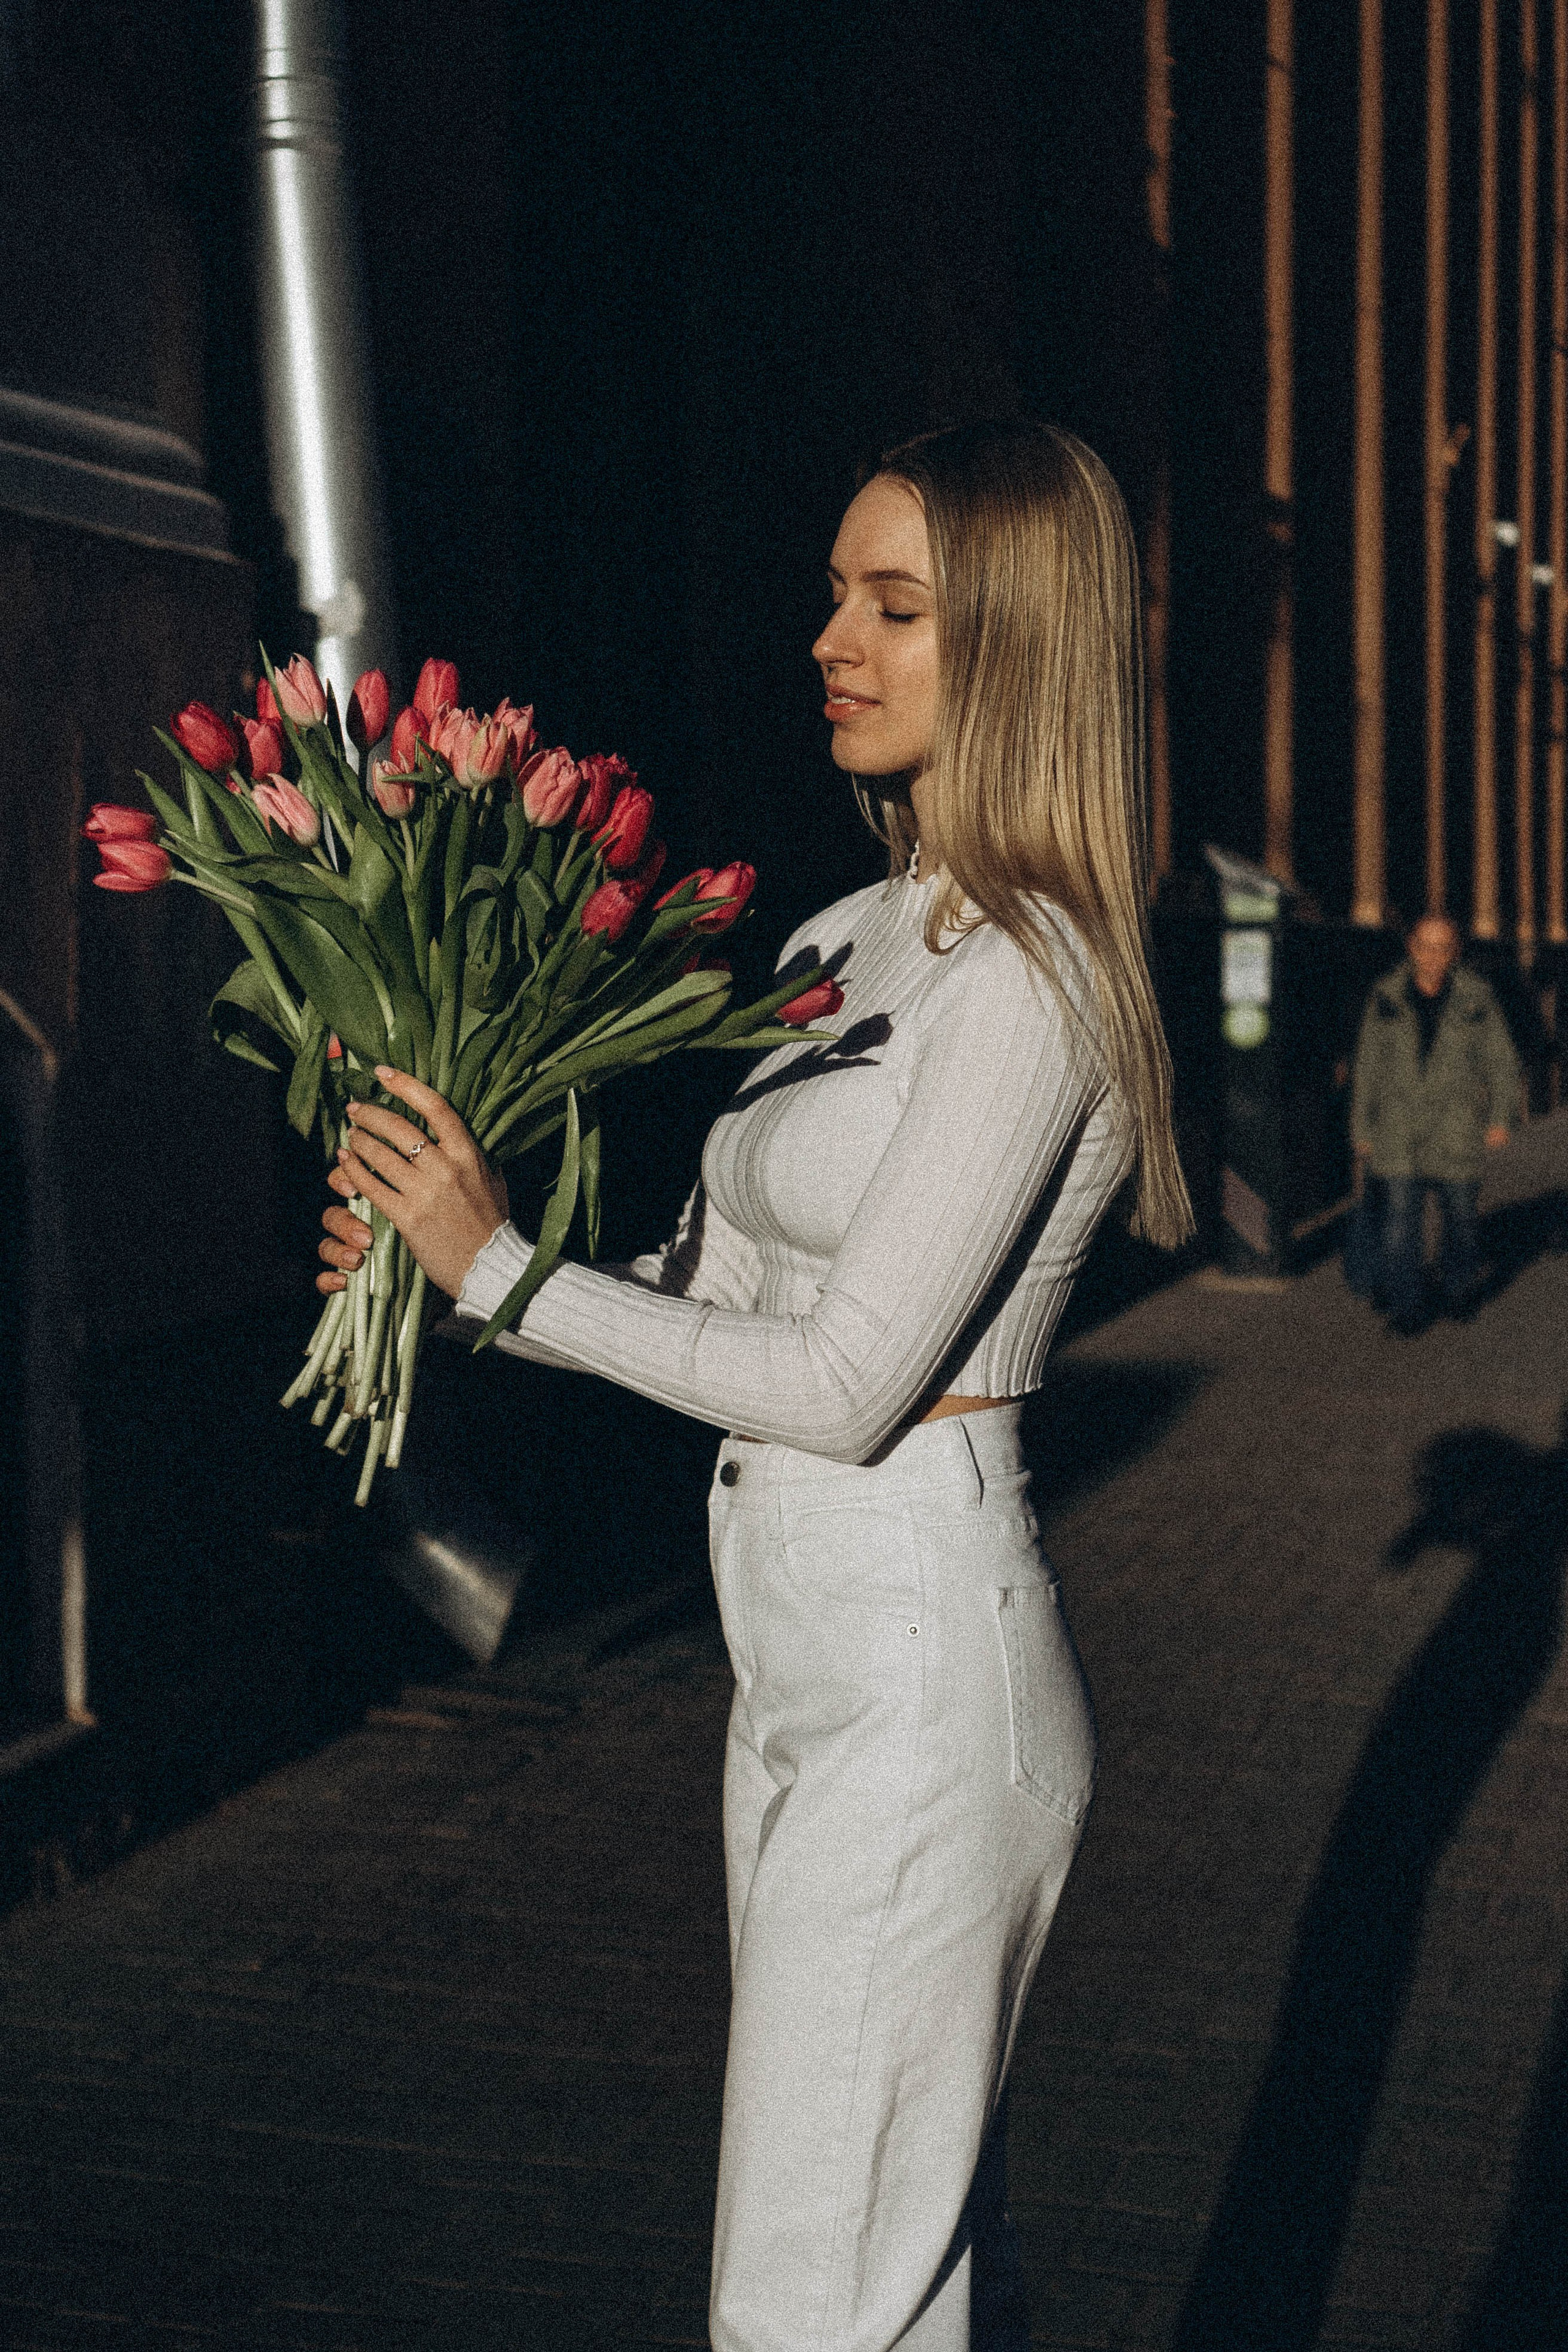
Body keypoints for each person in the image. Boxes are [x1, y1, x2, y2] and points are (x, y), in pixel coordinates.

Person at [317, 418, 1193, 2352]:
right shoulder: (838, 938)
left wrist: (504, 1269)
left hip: (918, 1663)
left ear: (1018, 643)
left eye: (894, 605)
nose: (829, 639)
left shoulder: (1031, 973)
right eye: (832, 594)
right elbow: (704, 1295)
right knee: (901, 2279)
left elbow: (850, 1380)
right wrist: (445, 1283)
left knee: (810, 2301)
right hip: (795, 1657)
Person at [1349, 912, 1521, 1335]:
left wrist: (1500, 1118)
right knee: (1399, 1226)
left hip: (1456, 1128)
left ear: (1455, 952)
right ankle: (1407, 1307)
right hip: (1398, 1130)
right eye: (1425, 946)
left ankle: (1457, 1289)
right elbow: (1367, 1065)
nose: (1433, 956)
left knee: (1461, 1221)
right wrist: (1362, 1128)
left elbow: (1501, 1062)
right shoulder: (1386, 996)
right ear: (1411, 947)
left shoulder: (1477, 998)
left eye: (1442, 948)